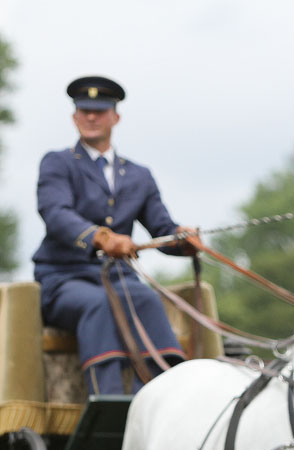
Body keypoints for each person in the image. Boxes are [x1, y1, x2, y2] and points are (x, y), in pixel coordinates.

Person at [33, 75, 200, 395]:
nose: (91, 117)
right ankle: (107, 404)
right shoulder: (58, 163)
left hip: (120, 280)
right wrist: (101, 237)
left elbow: (162, 229)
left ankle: (155, 398)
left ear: (115, 117)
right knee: (98, 304)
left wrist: (183, 240)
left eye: (99, 110)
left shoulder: (139, 175)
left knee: (148, 300)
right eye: (84, 110)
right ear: (74, 117)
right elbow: (56, 214)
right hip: (64, 280)